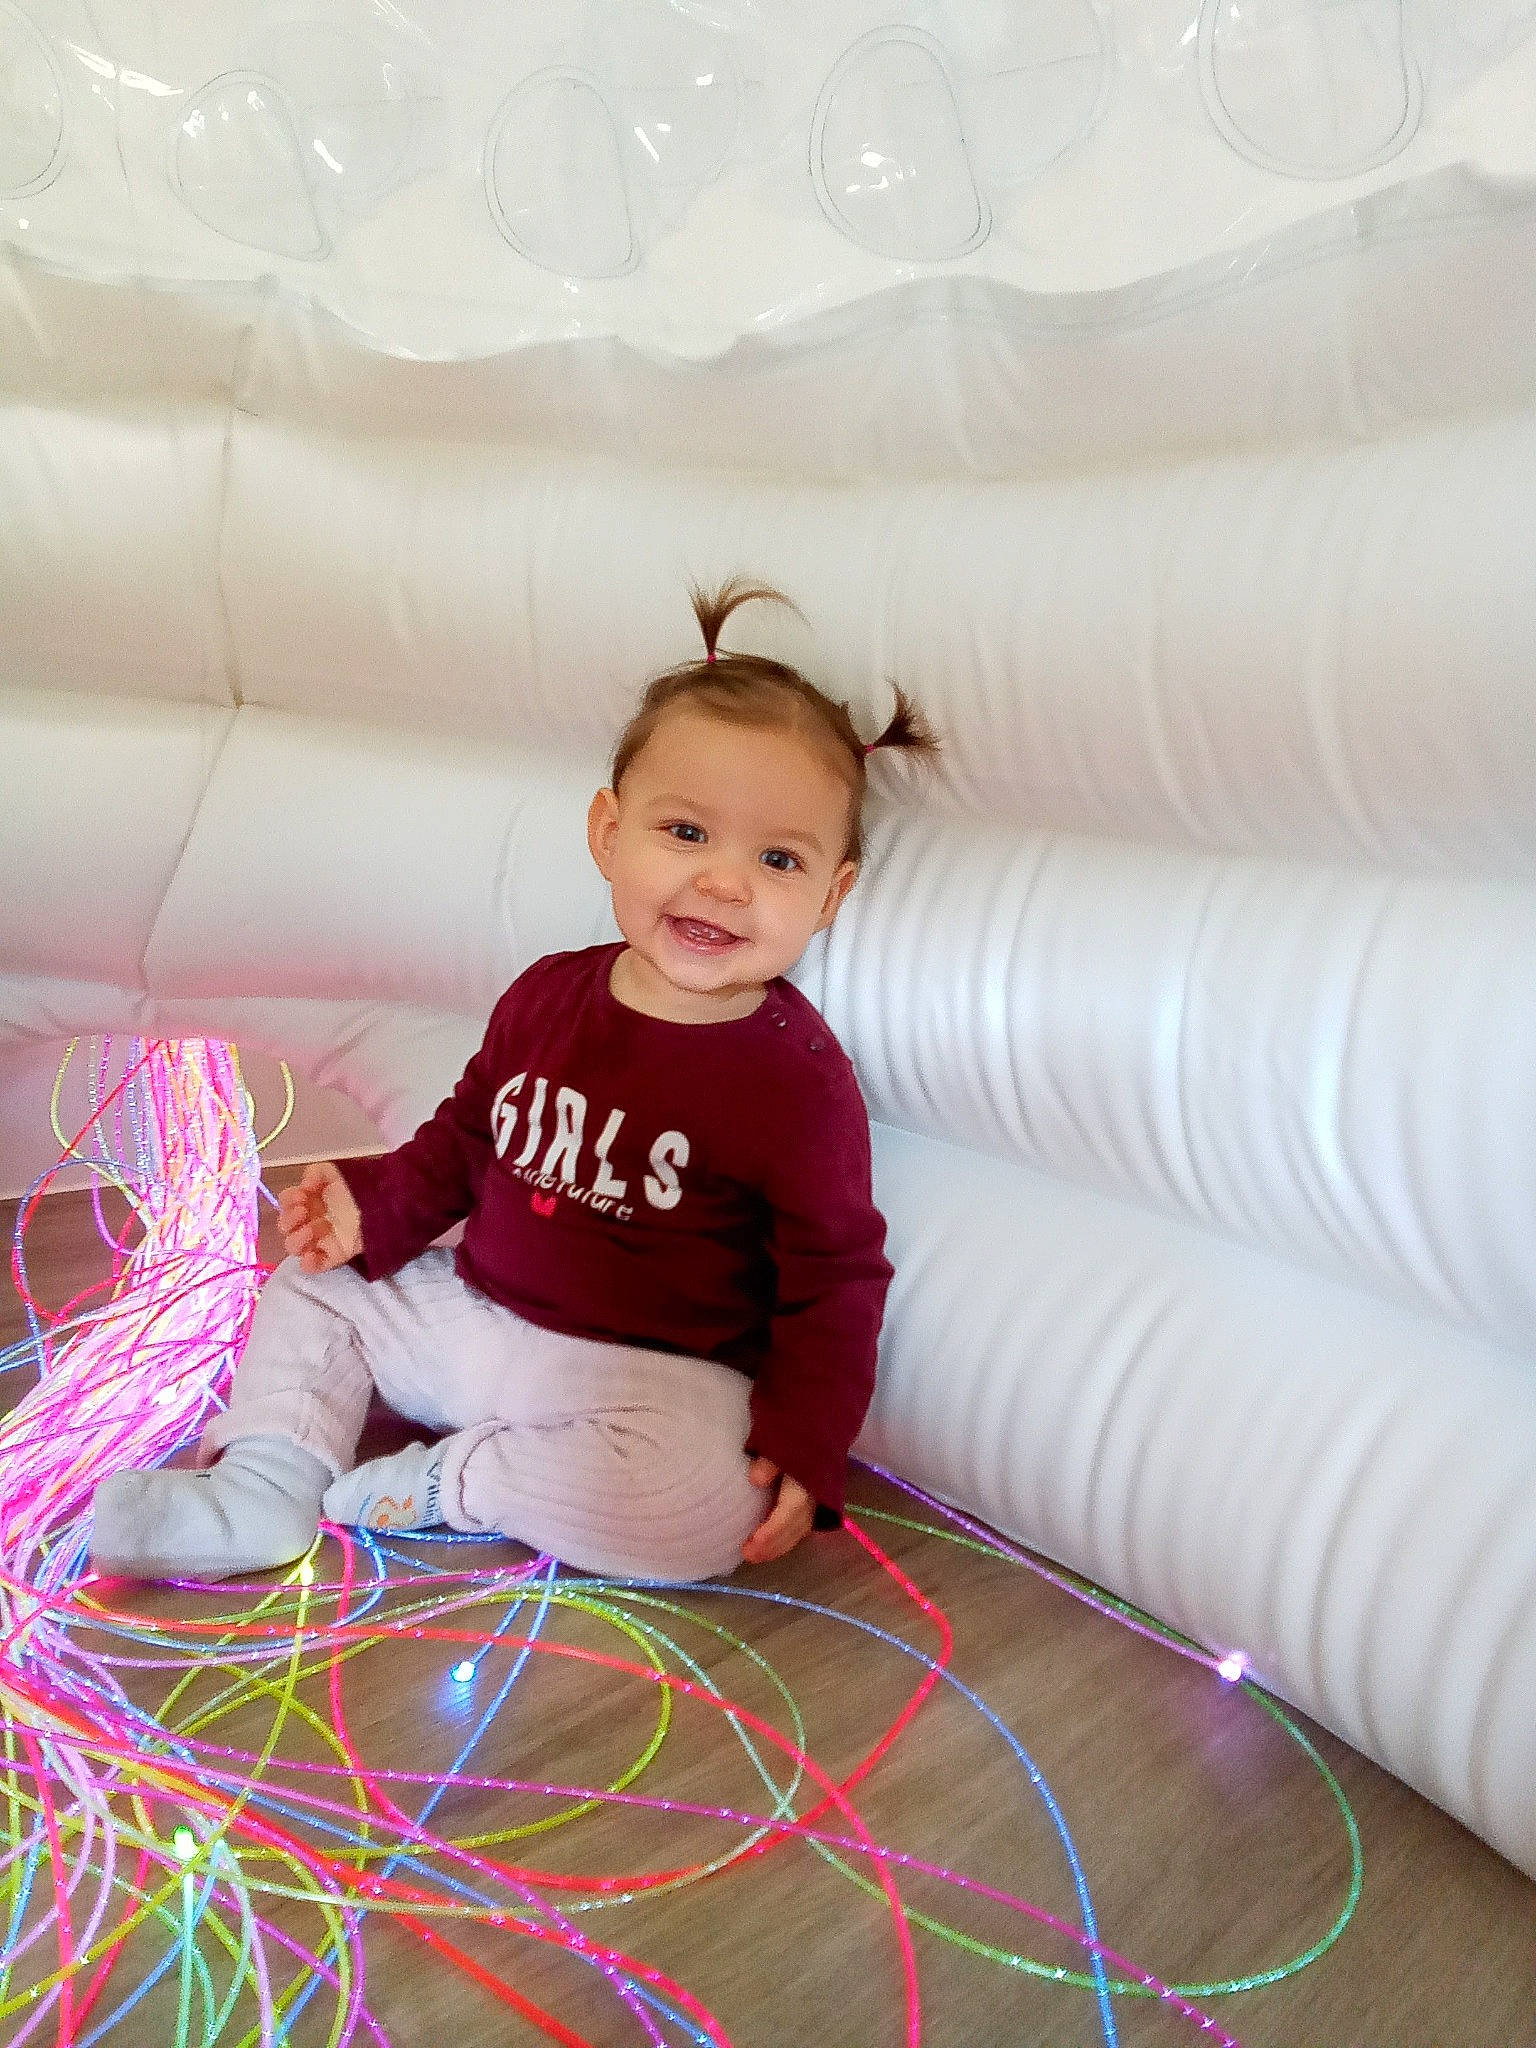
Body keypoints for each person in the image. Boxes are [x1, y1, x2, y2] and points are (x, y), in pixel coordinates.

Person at [90, 579, 938, 1584]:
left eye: (779, 857)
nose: (723, 880)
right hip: (478, 1316)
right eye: (687, 833)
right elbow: (463, 1136)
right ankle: (263, 1486)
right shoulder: (548, 994)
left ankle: (455, 1484)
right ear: (607, 832)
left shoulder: (795, 1077)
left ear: (832, 895)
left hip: (648, 1379)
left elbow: (834, 1276)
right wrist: (373, 1217)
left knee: (714, 1510)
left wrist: (808, 1436)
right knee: (312, 1291)